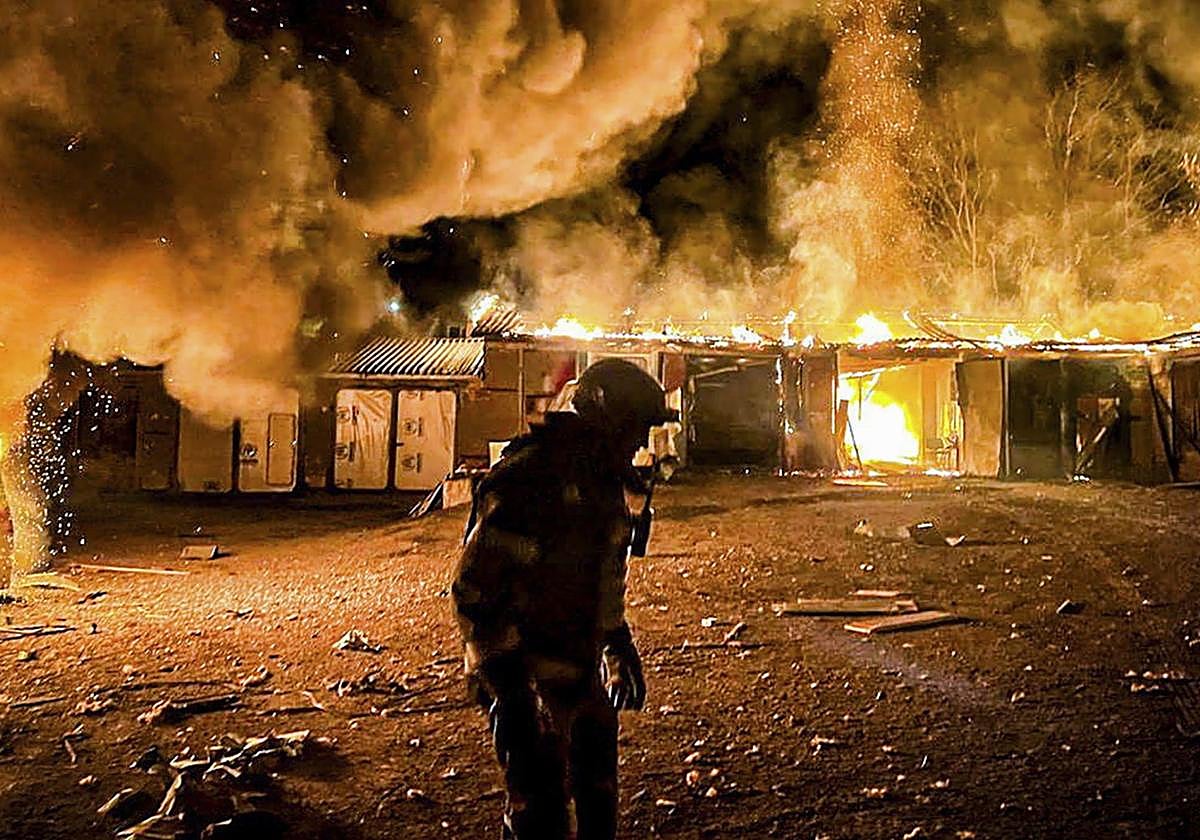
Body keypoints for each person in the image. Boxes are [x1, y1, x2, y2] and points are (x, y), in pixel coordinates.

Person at [452, 358, 678, 840]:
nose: (641, 441)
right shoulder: (530, 476)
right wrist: (513, 690)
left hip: (576, 667)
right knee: (540, 810)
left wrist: (618, 644)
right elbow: (474, 591)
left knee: (598, 798)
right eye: (637, 426)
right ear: (606, 416)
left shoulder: (600, 479)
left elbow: (601, 576)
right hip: (522, 671)